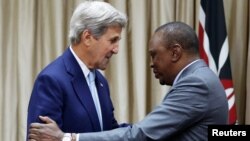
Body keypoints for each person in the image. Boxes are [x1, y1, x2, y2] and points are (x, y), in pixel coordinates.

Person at [28, 22, 229, 141]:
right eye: (113, 40)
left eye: (154, 55)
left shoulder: (196, 83)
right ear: (88, 37)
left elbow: (140, 134)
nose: (152, 64)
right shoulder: (53, 78)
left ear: (175, 52)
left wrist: (68, 138)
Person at [27, 0, 127, 139]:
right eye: (112, 40)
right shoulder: (51, 80)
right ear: (87, 38)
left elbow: (109, 132)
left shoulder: (101, 81)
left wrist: (149, 129)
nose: (116, 49)